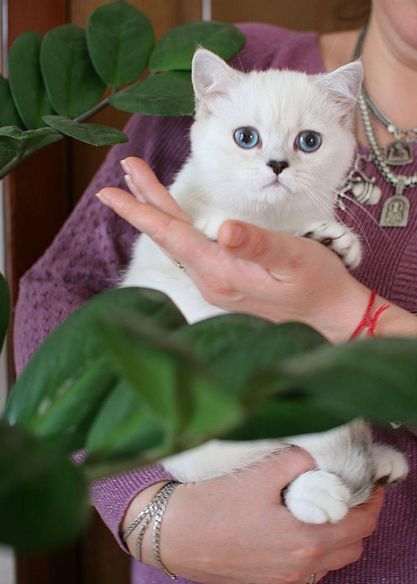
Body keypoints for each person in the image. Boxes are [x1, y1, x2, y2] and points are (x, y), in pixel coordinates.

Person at [13, 1, 417, 582]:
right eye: (250, 138)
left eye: (304, 143)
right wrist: (144, 508)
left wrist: (347, 313)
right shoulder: (246, 63)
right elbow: (59, 289)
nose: (276, 161)